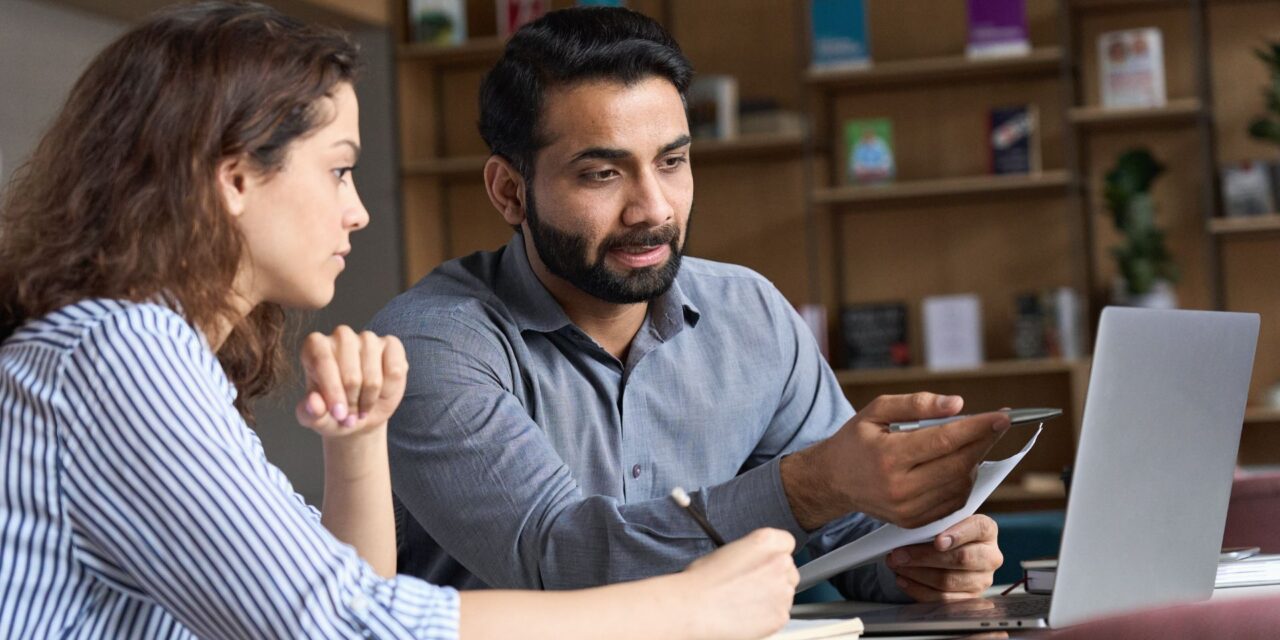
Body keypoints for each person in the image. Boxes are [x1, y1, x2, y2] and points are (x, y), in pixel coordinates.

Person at [0, 3, 802, 638]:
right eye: (340, 170)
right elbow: (342, 626)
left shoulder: (146, 356)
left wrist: (354, 448)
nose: (357, 213)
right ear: (237, 176)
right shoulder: (118, 351)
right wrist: (684, 611)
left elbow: (349, 592)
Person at [371, 6, 1010, 603]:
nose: (654, 208)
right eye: (602, 174)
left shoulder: (751, 316)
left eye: (671, 161)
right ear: (510, 191)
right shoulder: (431, 344)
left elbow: (848, 540)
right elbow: (559, 561)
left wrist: (926, 558)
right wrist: (812, 483)